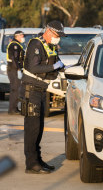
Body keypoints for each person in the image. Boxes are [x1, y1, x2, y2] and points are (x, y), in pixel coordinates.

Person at [21, 20, 66, 174]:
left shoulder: (50, 46)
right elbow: (34, 67)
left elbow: (58, 63)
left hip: (41, 89)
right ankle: (31, 164)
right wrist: (54, 67)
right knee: (32, 129)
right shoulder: (36, 44)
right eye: (57, 35)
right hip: (31, 90)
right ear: (48, 31)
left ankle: (38, 160)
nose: (58, 38)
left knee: (39, 128)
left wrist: (63, 67)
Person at [6, 30, 25, 115]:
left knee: (17, 89)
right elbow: (14, 59)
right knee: (15, 89)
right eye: (22, 36)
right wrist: (18, 69)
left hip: (14, 69)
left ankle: (14, 108)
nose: (23, 37)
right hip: (13, 69)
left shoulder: (17, 44)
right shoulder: (14, 45)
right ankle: (12, 109)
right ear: (17, 36)